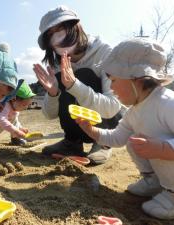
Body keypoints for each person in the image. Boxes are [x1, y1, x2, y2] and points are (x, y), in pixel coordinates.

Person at [76, 38, 174, 219]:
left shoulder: (169, 104)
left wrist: (161, 149)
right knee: (134, 140)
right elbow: (117, 138)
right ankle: (154, 182)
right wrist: (91, 130)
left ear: (136, 79)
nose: (111, 87)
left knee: (159, 148)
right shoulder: (135, 111)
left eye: (113, 80)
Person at [33, 5, 122, 164]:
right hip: (78, 125)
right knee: (61, 79)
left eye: (61, 28)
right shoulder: (56, 64)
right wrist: (53, 93)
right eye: (51, 34)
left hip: (107, 121)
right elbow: (49, 115)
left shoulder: (104, 53)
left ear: (76, 27)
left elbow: (113, 107)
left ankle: (102, 142)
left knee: (83, 74)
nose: (58, 37)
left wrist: (75, 85)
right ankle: (72, 142)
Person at [0, 81, 36, 146]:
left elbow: (15, 122)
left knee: (14, 120)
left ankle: (15, 139)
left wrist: (20, 128)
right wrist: (16, 131)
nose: (26, 107)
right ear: (13, 99)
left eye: (28, 105)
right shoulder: (5, 106)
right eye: (24, 105)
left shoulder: (15, 110)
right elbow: (1, 119)